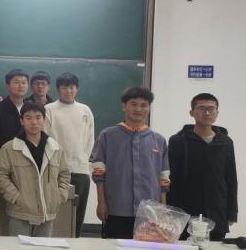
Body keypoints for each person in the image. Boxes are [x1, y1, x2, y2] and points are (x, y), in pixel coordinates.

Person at [92, 87, 170, 240]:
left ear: (149, 108)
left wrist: (162, 209)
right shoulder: (107, 136)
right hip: (117, 208)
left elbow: (164, 178)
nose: (138, 109)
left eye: (144, 105)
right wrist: (101, 202)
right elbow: (99, 173)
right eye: (133, 104)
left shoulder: (158, 140)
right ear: (124, 106)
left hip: (149, 213)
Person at [0, 102, 71, 237]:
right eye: (28, 118)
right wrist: (16, 197)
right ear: (21, 121)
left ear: (44, 120)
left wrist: (59, 196)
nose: (34, 122)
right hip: (20, 212)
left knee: (42, 249)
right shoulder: (10, 148)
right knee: (18, 249)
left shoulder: (55, 148)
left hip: (47, 212)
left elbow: (64, 174)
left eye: (38, 117)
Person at [168, 93, 237, 241]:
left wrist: (232, 213)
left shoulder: (226, 142)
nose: (206, 113)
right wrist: (169, 212)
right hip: (185, 214)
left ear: (217, 113)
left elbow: (231, 178)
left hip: (216, 212)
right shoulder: (178, 141)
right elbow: (172, 178)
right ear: (191, 112)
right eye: (201, 108)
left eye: (211, 109)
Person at [44, 72, 95, 237]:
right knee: (56, 216)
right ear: (58, 89)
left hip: (81, 170)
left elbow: (90, 139)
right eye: (64, 87)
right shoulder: (49, 109)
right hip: (56, 171)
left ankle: (75, 246)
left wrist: (83, 159)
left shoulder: (85, 110)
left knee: (77, 217)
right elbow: (46, 139)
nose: (68, 91)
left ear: (77, 89)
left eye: (72, 87)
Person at [0, 69, 29, 157]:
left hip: (29, 158)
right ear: (8, 86)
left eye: (24, 82)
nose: (21, 86)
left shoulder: (32, 108)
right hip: (5, 158)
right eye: (16, 82)